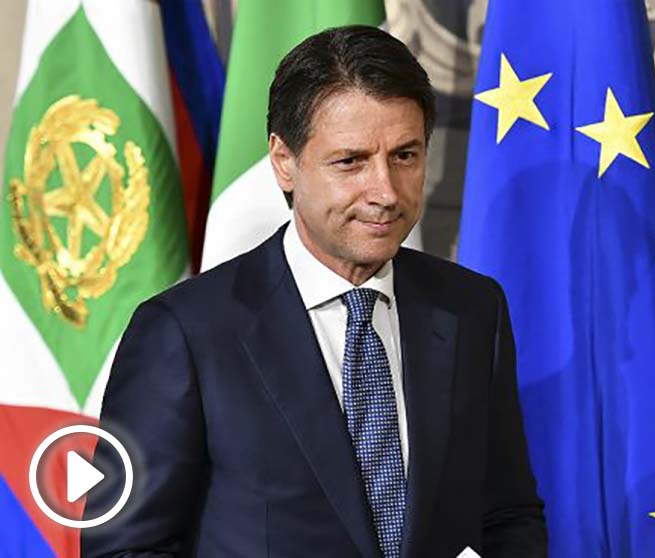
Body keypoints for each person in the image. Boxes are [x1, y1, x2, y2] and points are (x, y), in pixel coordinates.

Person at [81, 25, 546, 558]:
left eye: (405, 156)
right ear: (284, 161)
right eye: (350, 161)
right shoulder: (184, 332)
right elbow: (123, 550)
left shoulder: (471, 308)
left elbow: (506, 516)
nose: (385, 192)